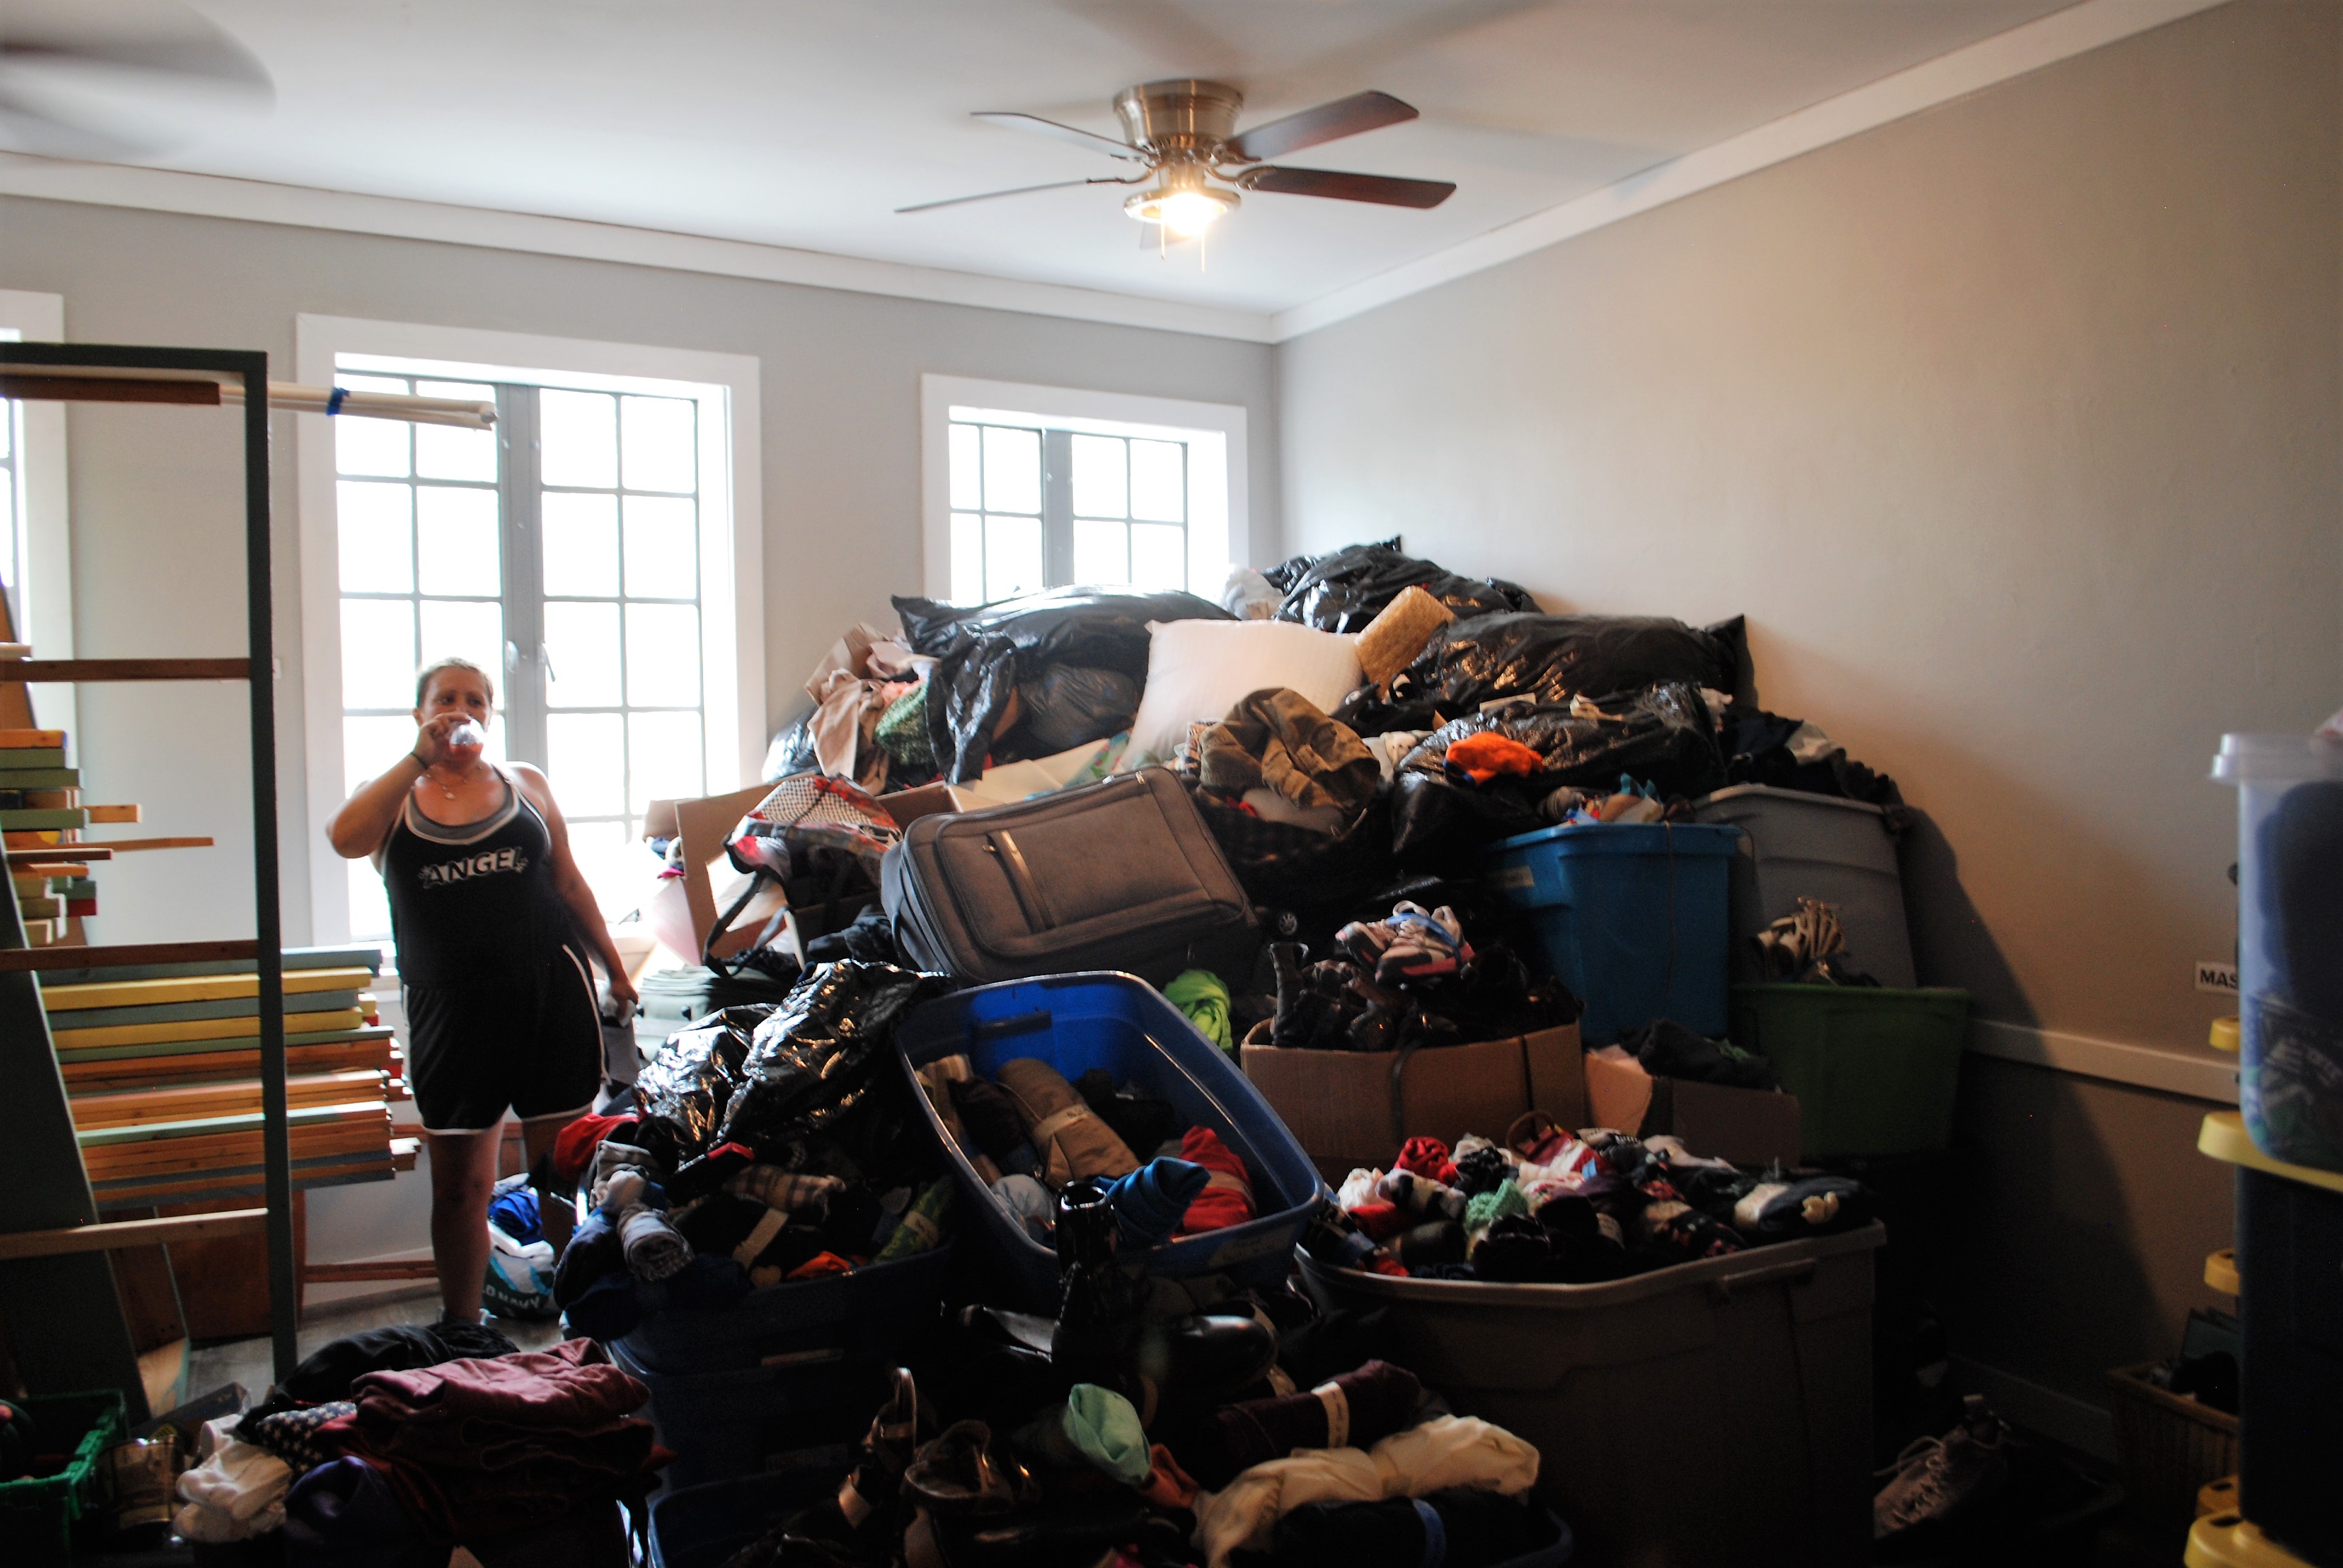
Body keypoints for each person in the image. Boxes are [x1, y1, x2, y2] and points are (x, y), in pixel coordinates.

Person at [329, 656, 638, 1323]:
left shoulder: (524, 783)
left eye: (475, 700)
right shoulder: (392, 798)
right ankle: (463, 1331)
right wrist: (418, 758)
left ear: (490, 715)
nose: (460, 709)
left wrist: (613, 969)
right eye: (445, 698)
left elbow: (569, 884)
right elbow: (343, 839)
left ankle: (579, 1319)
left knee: (560, 1173)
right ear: (420, 713)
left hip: (550, 996)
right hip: (453, 1014)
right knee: (462, 1187)